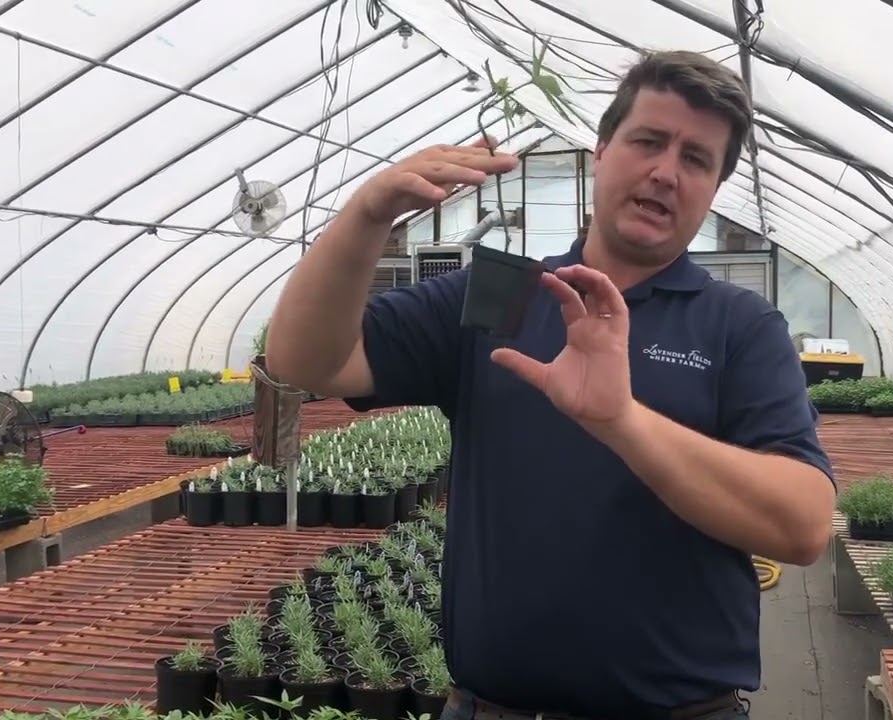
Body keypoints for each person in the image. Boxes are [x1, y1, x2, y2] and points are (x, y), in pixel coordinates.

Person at [267, 50, 836, 720]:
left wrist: (623, 421)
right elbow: (306, 362)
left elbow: (802, 525)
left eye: (696, 159)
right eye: (648, 141)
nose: (665, 171)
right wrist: (367, 214)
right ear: (602, 152)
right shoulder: (505, 296)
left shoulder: (738, 325)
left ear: (713, 189)